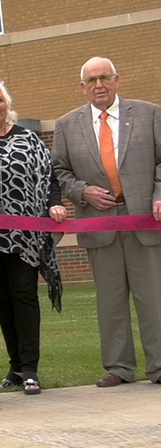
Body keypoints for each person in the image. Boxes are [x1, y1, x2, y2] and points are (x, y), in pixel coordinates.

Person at [51, 56, 161, 387]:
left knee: (153, 298)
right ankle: (119, 367)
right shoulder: (66, 125)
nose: (99, 85)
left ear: (117, 80)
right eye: (92, 80)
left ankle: (159, 366)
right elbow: (59, 172)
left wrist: (159, 194)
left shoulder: (149, 114)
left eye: (105, 78)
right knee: (110, 301)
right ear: (82, 87)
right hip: (100, 225)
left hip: (143, 220)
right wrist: (83, 192)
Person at [0, 80, 65, 396]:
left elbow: (49, 178)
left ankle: (31, 368)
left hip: (25, 236)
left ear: (7, 103)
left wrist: (54, 203)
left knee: (24, 295)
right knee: (3, 300)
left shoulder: (30, 139)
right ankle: (16, 366)